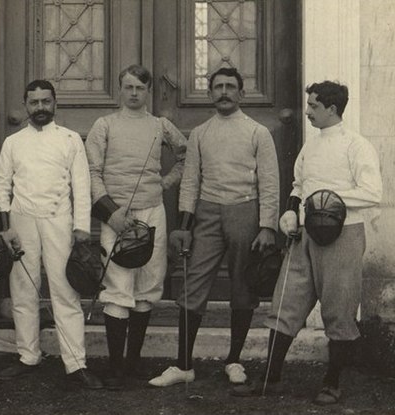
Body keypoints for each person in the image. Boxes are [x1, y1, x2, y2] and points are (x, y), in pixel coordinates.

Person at [232, 81, 382, 405]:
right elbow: (299, 183)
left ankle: (333, 381)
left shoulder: (357, 145)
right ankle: (270, 377)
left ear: (332, 108)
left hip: (343, 235)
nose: (308, 111)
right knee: (285, 301)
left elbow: (373, 192)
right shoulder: (311, 145)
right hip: (303, 237)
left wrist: (325, 199)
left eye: (314, 106)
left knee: (339, 309)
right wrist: (290, 210)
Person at [149, 67, 280, 387]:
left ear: (241, 93)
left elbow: (270, 183)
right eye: (218, 87)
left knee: (242, 286)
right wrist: (185, 225)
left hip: (244, 212)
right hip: (206, 213)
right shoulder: (201, 133)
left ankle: (234, 360)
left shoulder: (257, 132)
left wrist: (267, 226)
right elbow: (190, 181)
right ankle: (183, 365)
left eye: (230, 87)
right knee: (193, 285)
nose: (224, 91)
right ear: (209, 94)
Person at [0, 80, 103, 390]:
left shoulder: (69, 140)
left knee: (65, 291)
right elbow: (2, 185)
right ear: (25, 105)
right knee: (24, 289)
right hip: (22, 220)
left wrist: (81, 227)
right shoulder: (13, 142)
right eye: (34, 102)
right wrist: (6, 227)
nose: (40, 107)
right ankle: (28, 356)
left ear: (55, 103)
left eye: (46, 101)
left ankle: (75, 362)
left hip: (59, 220)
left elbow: (81, 186)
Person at [85, 64, 187, 389]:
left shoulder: (160, 126)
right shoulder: (105, 125)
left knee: (148, 283)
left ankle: (133, 364)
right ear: (119, 89)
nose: (133, 93)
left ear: (148, 92)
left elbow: (187, 156)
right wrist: (111, 213)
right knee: (117, 286)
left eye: (139, 88)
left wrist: (165, 183)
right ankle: (115, 368)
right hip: (116, 216)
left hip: (152, 212)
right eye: (128, 87)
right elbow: (91, 172)